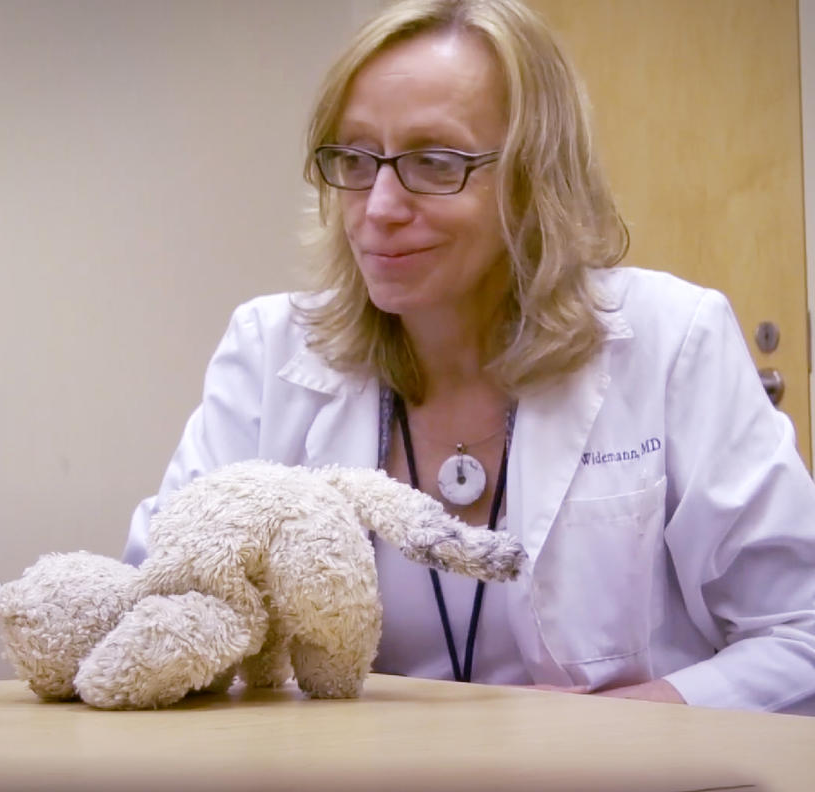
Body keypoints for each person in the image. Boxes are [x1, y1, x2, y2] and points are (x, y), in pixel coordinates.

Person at [124, 0, 815, 714]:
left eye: (434, 162)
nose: (381, 205)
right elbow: (157, 608)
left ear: (533, 177)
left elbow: (801, 634)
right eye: (356, 160)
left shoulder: (673, 340)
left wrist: (607, 736)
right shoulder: (268, 352)